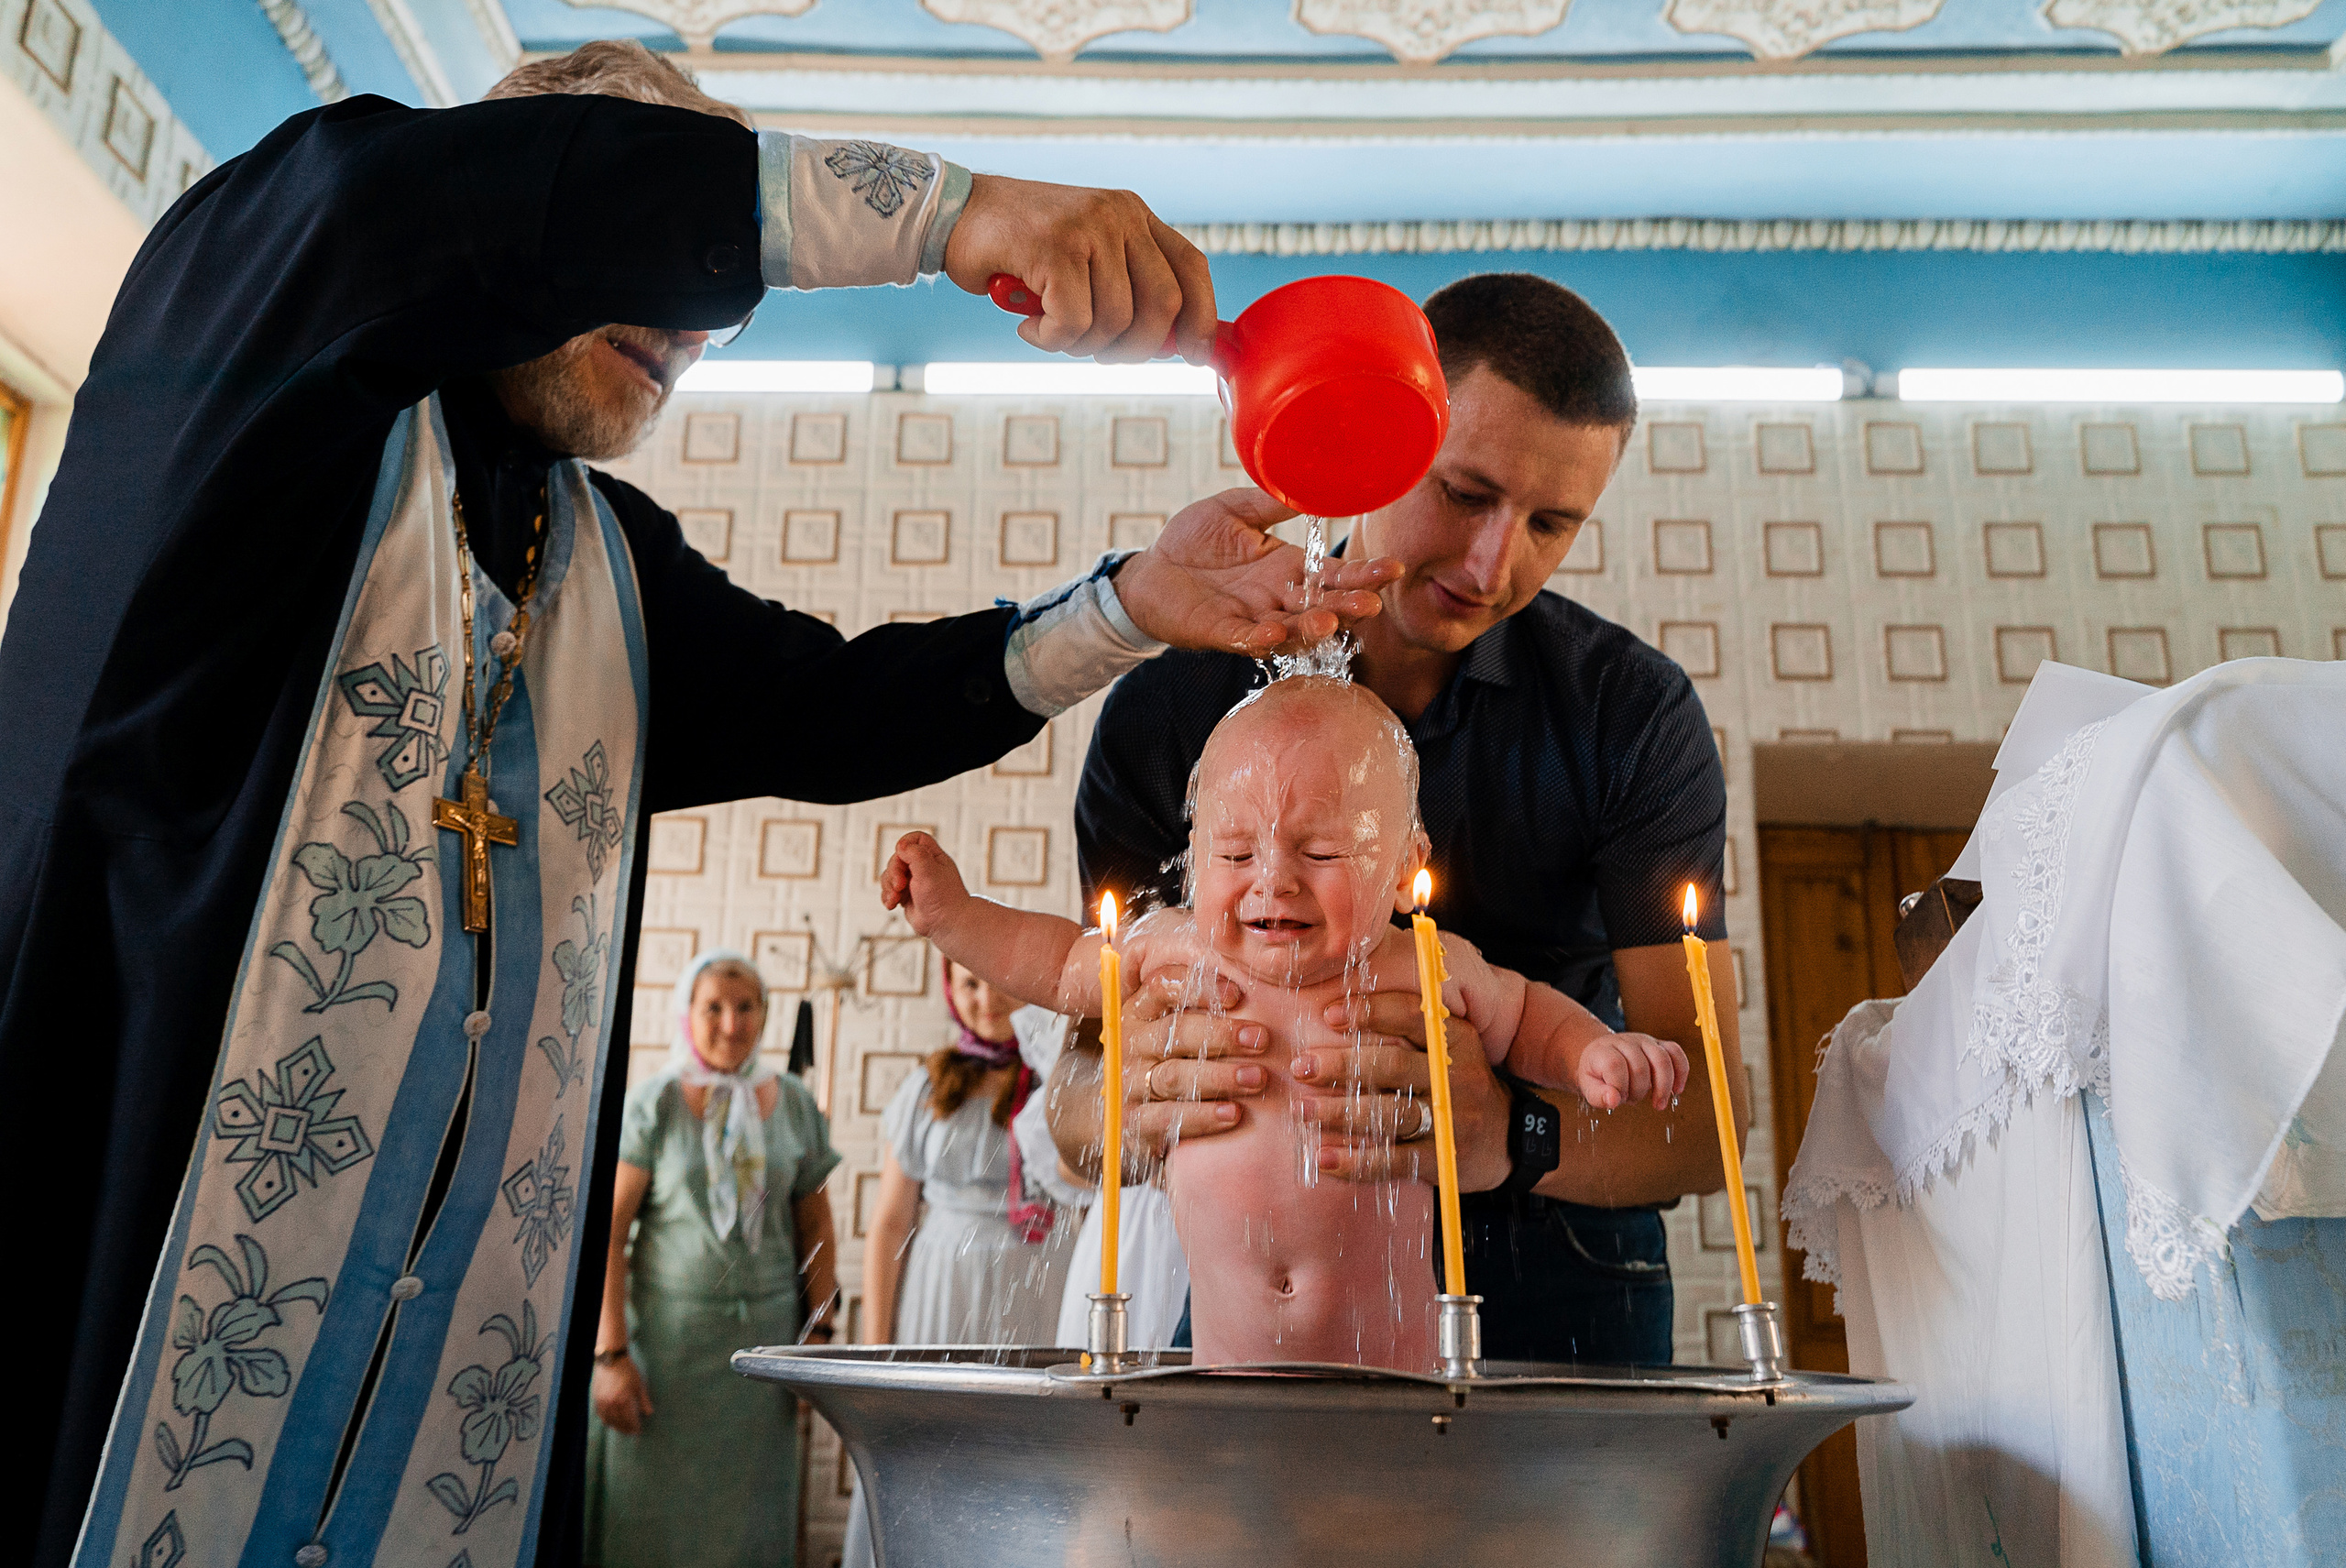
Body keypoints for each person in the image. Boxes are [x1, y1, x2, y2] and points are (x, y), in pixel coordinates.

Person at [7, 39, 1405, 1568]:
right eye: (660, 239)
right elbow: (380, 198)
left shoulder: (602, 560)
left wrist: (1132, 602)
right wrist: (954, 212)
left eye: (715, 285)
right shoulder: (253, 341)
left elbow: (840, 703)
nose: (697, 320)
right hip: (113, 1295)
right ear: (522, 196)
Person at [1058, 272, 1746, 1367]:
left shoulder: (1630, 712)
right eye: (1465, 494)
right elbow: (1074, 1102)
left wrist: (1503, 1134)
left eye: (1551, 524)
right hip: (1269, 1304)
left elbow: (1705, 1123)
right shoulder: (1173, 711)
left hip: (1566, 1289)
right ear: (1382, 442)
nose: (1493, 565)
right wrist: (1125, 1104)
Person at [882, 678, 1687, 1367]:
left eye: (1324, 853)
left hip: (1397, 1358)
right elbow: (1056, 961)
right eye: (1234, 855)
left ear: (1407, 869)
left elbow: (1525, 1014)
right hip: (1224, 1358)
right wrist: (955, 915)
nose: (1273, 880)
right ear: (1193, 858)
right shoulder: (1174, 948)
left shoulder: (1420, 962)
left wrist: (1594, 1051)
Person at [585, 949, 837, 1567]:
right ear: (686, 1013)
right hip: (667, 1357)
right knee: (647, 1523)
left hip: (765, 1360)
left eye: (745, 1005)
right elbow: (608, 1234)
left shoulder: (797, 1102)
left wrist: (821, 1335)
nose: (731, 1022)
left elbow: (817, 1227)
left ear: (766, 1013)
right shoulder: (656, 1102)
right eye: (713, 1007)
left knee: (750, 1524)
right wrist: (609, 1356)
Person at [841, 959, 1075, 1567]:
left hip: (1037, 1283)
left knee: (1024, 1448)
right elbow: (891, 1219)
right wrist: (875, 1353)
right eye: (968, 982)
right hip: (943, 1283)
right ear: (950, 990)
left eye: (997, 978)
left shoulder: (1060, 1078)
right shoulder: (926, 1085)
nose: (985, 996)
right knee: (933, 1442)